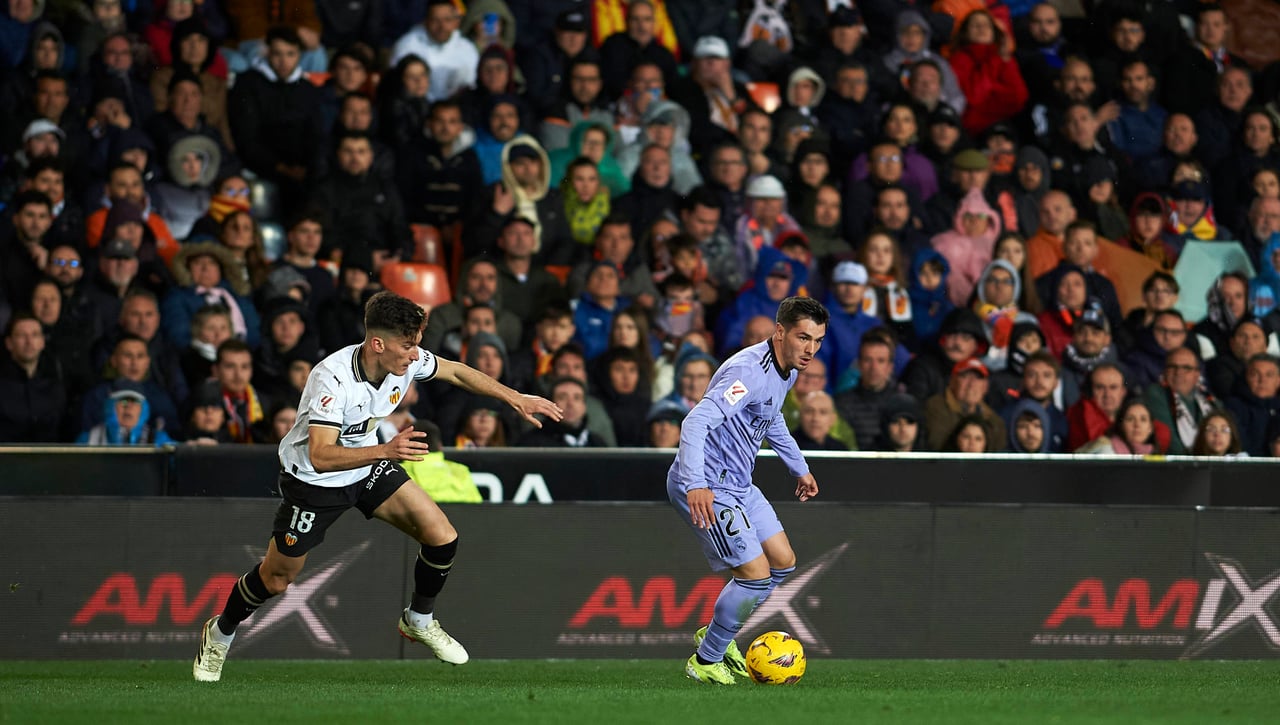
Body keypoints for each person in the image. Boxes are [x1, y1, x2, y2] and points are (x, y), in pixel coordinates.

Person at [192, 291, 562, 682]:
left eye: (417, 343)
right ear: (377, 344)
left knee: (442, 537)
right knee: (276, 579)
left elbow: (454, 371)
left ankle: (418, 619)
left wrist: (514, 397)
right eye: (408, 345)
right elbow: (321, 454)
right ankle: (220, 633)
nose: (415, 353)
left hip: (369, 462)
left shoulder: (406, 360)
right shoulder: (331, 379)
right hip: (315, 482)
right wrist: (387, 449)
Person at [668, 296, 825, 685]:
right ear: (779, 332)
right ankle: (705, 660)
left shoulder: (786, 371)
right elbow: (694, 423)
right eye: (803, 337)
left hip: (739, 484)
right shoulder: (748, 373)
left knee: (783, 562)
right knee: (755, 576)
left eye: (818, 340)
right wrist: (697, 483)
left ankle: (716, 637)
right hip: (708, 483)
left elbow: (771, 420)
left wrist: (799, 468)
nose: (810, 349)